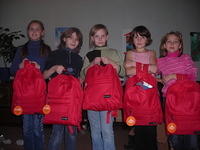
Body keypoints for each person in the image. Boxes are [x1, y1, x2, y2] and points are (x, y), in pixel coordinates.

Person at [80, 24, 125, 150]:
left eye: (102, 36)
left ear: (107, 37)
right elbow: (82, 74)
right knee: (95, 131)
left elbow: (122, 72)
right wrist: (92, 64)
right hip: (92, 98)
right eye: (96, 36)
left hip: (108, 98)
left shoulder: (113, 52)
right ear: (92, 38)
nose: (100, 39)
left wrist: (110, 62)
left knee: (106, 131)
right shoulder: (89, 55)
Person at [10, 20, 51, 150]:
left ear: (42, 32)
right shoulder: (21, 49)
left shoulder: (46, 50)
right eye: (31, 29)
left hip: (39, 95)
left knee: (38, 129)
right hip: (24, 96)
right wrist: (20, 67)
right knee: (27, 129)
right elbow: (12, 71)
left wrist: (40, 69)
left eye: (37, 29)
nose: (34, 31)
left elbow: (49, 72)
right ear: (28, 32)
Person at [43, 27, 83, 150]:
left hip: (72, 101)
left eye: (77, 39)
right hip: (58, 100)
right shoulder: (54, 54)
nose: (74, 40)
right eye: (71, 37)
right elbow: (44, 75)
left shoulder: (79, 59)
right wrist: (54, 68)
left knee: (72, 133)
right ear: (64, 39)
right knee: (57, 132)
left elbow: (80, 79)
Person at [157, 31, 198, 150]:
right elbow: (153, 75)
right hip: (169, 99)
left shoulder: (185, 58)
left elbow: (192, 77)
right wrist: (160, 80)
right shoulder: (160, 61)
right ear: (164, 45)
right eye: (169, 41)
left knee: (190, 133)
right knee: (173, 133)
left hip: (187, 99)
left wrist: (174, 76)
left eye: (175, 41)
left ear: (180, 45)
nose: (172, 43)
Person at [124, 25, 161, 150]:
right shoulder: (130, 52)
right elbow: (128, 71)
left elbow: (155, 69)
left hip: (149, 95)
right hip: (135, 95)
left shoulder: (152, 53)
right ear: (132, 40)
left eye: (142, 37)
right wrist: (146, 68)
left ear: (147, 39)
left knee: (151, 131)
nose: (139, 40)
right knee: (138, 129)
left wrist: (136, 67)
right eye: (136, 37)